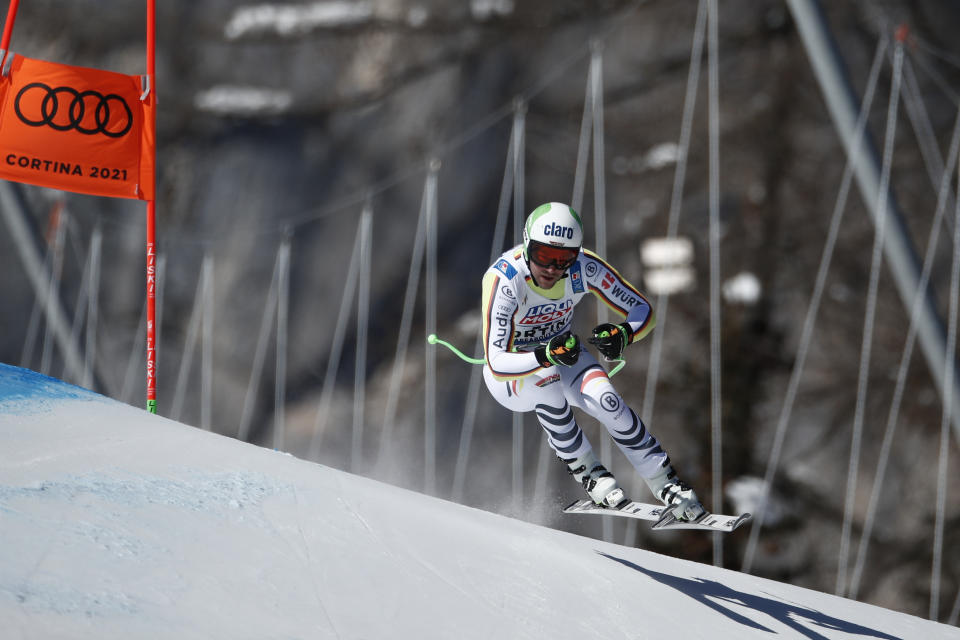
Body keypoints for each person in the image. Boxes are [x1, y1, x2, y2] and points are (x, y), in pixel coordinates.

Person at [480, 202, 705, 520]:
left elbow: (643, 310)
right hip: (512, 376)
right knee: (548, 384)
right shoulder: (505, 279)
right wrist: (545, 355)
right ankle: (589, 472)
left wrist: (624, 333)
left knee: (608, 400)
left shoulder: (584, 267)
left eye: (563, 259)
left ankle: (665, 482)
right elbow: (496, 361)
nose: (552, 269)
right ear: (527, 245)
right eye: (544, 256)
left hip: (560, 353)